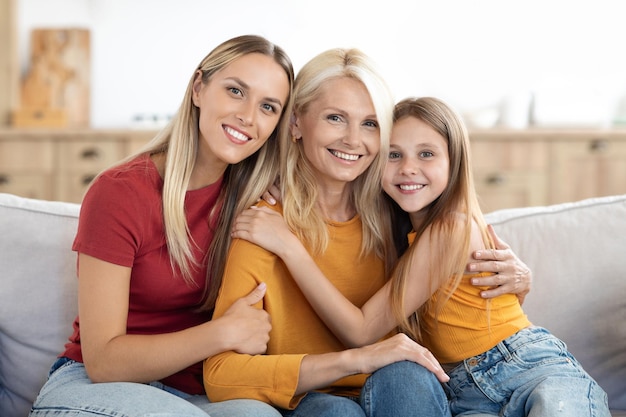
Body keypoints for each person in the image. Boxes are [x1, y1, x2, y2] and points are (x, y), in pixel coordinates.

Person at [232, 97, 611, 417]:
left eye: (426, 154)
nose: (408, 168)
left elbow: (363, 330)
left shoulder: (451, 228)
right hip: (463, 393)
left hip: (527, 369)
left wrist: (288, 245)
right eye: (393, 154)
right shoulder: (400, 235)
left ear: (454, 163)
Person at [203, 47, 528, 417]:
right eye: (336, 118)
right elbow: (220, 373)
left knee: (406, 379)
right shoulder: (264, 228)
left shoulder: (398, 209)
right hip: (315, 393)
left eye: (370, 124)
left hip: (399, 381)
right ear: (295, 123)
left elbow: (464, 294)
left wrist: (521, 278)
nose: (353, 140)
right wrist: (353, 361)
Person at [29, 34, 294, 417]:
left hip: (197, 393)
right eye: (236, 91)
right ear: (198, 87)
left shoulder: (253, 202)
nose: (248, 116)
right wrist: (221, 334)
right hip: (96, 386)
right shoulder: (121, 192)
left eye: (268, 107)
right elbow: (103, 361)